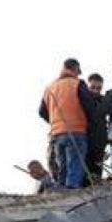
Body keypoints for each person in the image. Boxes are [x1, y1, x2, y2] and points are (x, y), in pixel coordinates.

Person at [39, 58, 93, 188]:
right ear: (75, 69)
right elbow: (89, 107)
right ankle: (71, 193)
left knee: (62, 166)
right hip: (77, 131)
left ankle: (61, 191)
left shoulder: (50, 88)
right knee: (75, 166)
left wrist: (54, 121)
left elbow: (41, 111)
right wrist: (90, 123)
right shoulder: (77, 84)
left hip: (57, 133)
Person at [84, 72, 107, 183]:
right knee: (84, 178)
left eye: (99, 88)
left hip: (99, 147)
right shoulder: (82, 101)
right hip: (84, 144)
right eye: (93, 87)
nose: (96, 91)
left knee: (97, 177)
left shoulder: (104, 101)